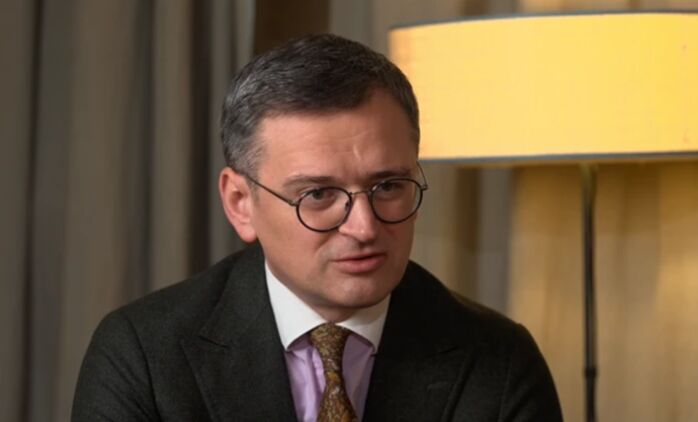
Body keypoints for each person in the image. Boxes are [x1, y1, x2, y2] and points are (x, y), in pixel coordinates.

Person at [72, 34, 562, 421]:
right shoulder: (143, 354)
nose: (364, 227)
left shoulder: (499, 360)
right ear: (241, 204)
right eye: (319, 195)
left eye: (389, 185)